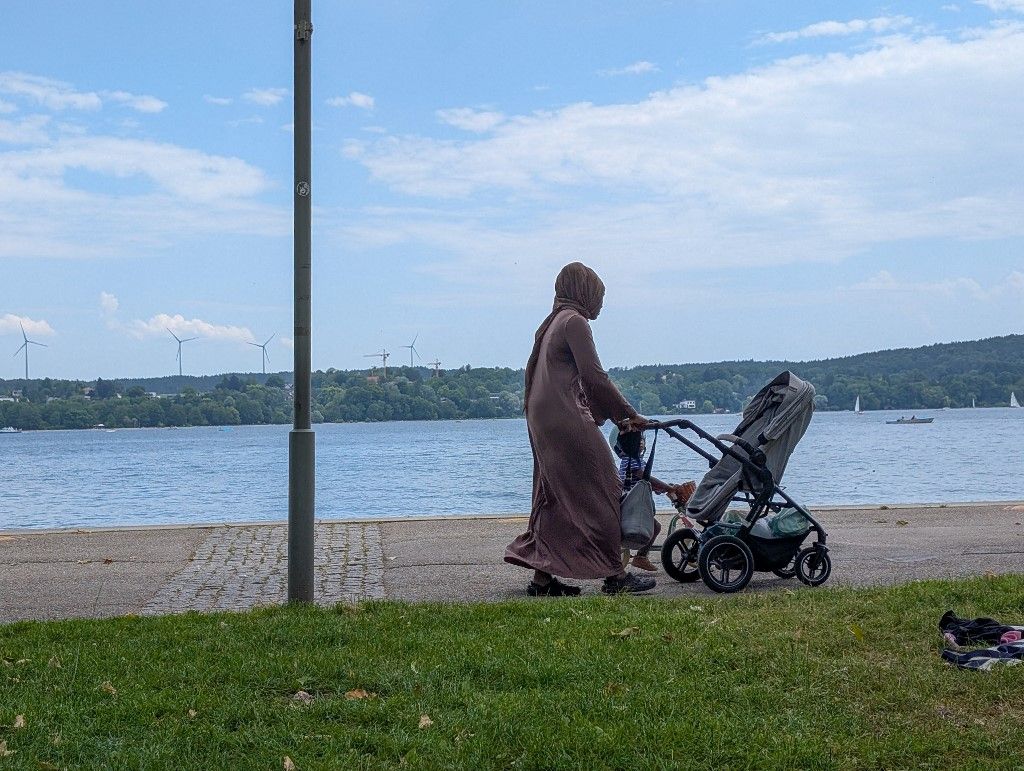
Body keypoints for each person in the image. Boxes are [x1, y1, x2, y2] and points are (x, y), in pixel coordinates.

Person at [504, 261, 656, 595]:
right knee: (603, 487)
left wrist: (609, 414)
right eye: (598, 295)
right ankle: (615, 575)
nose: (600, 303)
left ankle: (542, 579)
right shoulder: (575, 322)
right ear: (583, 292)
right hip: (565, 417)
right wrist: (628, 415)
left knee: (553, 495)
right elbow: (593, 376)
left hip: (542, 419)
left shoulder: (550, 324)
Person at [610, 427, 696, 572]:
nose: (641, 443)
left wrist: (661, 488)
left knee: (653, 527)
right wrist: (668, 489)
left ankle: (640, 556)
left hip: (632, 502)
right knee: (655, 527)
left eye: (642, 439)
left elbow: (643, 482)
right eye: (637, 441)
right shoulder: (631, 459)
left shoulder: (631, 460)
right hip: (633, 505)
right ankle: (641, 557)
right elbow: (643, 476)